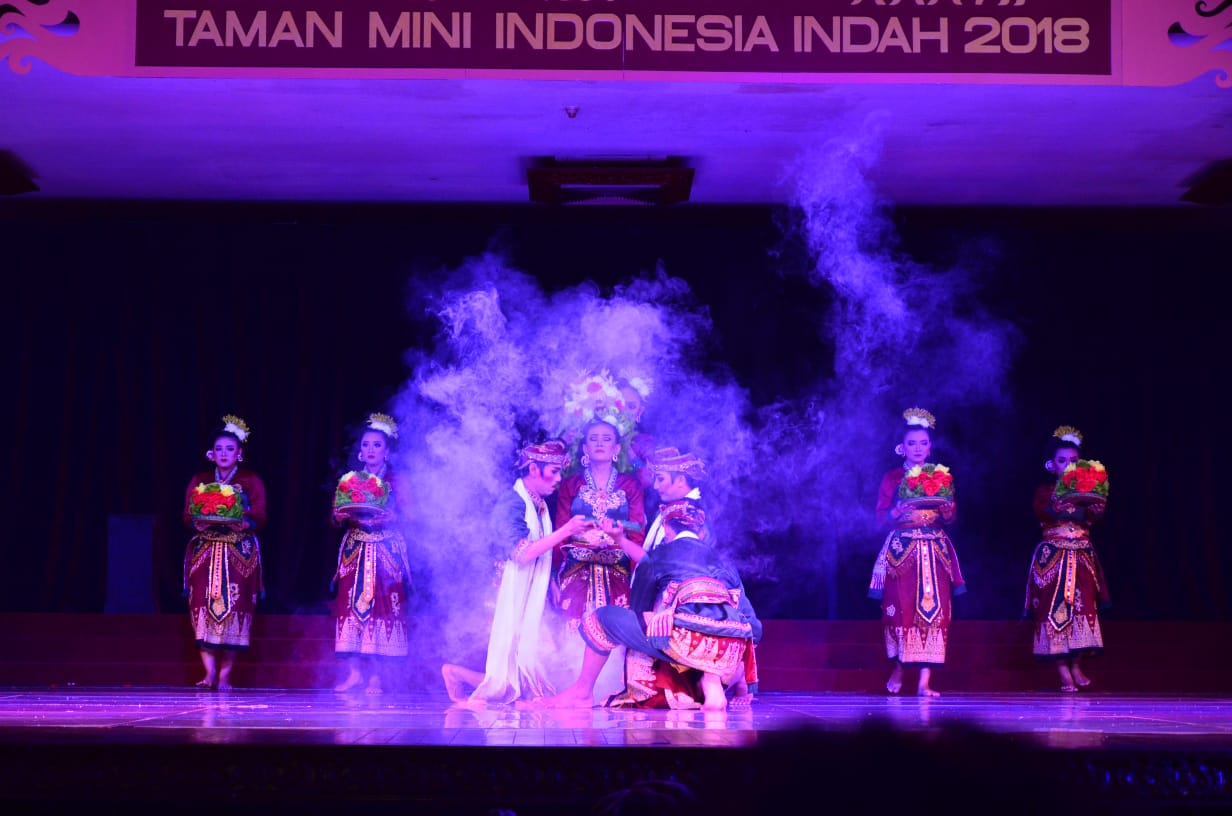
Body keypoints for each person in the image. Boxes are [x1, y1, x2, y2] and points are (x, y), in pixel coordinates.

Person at [541, 501, 760, 712]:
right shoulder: (725, 562)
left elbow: (638, 609)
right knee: (723, 638)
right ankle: (718, 682)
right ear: (701, 532)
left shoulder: (658, 556)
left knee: (603, 619)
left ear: (666, 528)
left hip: (687, 641)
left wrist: (659, 612)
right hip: (730, 651)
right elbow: (754, 627)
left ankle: (582, 692)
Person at [441, 439, 595, 707]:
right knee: (514, 667)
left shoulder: (539, 504)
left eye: (560, 472)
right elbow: (522, 554)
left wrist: (550, 583)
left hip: (526, 589)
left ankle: (456, 673)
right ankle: (456, 674)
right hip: (503, 591)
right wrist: (567, 531)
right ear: (534, 469)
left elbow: (539, 552)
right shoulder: (512, 503)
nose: (558, 479)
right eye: (554, 472)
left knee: (517, 669)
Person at [868, 407, 965, 697]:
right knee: (902, 612)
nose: (918, 448)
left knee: (935, 613)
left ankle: (925, 682)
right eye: (912, 443)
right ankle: (899, 667)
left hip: (935, 551)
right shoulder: (892, 478)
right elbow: (880, 515)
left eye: (923, 443)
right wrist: (895, 512)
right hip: (902, 552)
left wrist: (948, 512)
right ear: (902, 448)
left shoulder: (941, 476)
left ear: (930, 446)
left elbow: (951, 517)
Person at [182, 414, 266, 690]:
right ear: (210, 454)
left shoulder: (251, 480)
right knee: (202, 607)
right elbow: (187, 514)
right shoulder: (200, 479)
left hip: (238, 554)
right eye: (219, 449)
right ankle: (209, 674)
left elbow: (261, 514)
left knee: (235, 609)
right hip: (205, 551)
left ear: (239, 454)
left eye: (230, 449)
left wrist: (244, 521)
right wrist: (199, 520)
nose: (224, 454)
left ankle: (226, 675)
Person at [331, 412, 412, 695]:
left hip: (385, 550)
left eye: (377, 445)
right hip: (355, 550)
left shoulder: (396, 481)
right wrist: (339, 516)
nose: (370, 450)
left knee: (380, 608)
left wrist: (388, 517)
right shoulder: (350, 480)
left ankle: (376, 678)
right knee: (350, 608)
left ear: (387, 451)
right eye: (366, 445)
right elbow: (335, 514)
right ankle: (354, 674)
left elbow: (408, 514)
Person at [1024, 425, 1110, 692]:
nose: (1068, 465)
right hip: (1053, 558)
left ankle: (1075, 664)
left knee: (1085, 610)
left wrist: (1097, 509)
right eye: (1062, 461)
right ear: (1052, 464)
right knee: (1054, 610)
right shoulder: (1044, 491)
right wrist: (1056, 504)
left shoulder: (1088, 490)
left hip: (1082, 556)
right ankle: (1062, 670)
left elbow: (1094, 518)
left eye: (1074, 461)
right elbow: (1042, 512)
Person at [552, 417, 647, 630]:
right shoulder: (570, 485)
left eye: (606, 439)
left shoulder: (630, 485)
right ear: (585, 448)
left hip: (619, 571)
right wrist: (554, 575)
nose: (600, 444)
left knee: (614, 634)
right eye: (593, 439)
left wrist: (634, 576)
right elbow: (560, 532)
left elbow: (638, 530)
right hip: (575, 571)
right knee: (572, 634)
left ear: (616, 447)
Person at [640, 447, 707, 557]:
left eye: (660, 479)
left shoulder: (692, 514)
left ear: (680, 480)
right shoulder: (667, 509)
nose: (655, 486)